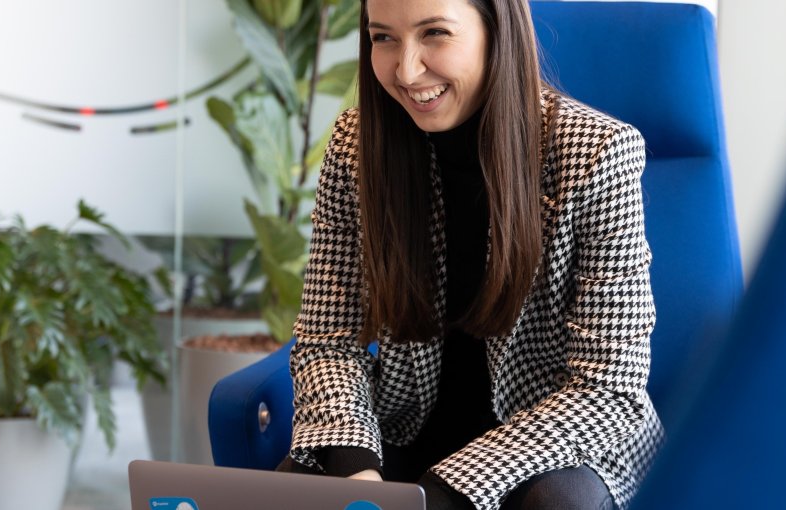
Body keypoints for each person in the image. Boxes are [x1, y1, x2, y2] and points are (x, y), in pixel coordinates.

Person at [279, 0, 664, 508]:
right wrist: (357, 473)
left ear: (496, 32)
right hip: (407, 429)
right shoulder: (357, 145)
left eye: (434, 33)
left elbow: (608, 387)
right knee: (299, 485)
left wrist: (441, 494)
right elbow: (329, 341)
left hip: (556, 449)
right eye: (383, 38)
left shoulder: (597, 152)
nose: (406, 69)